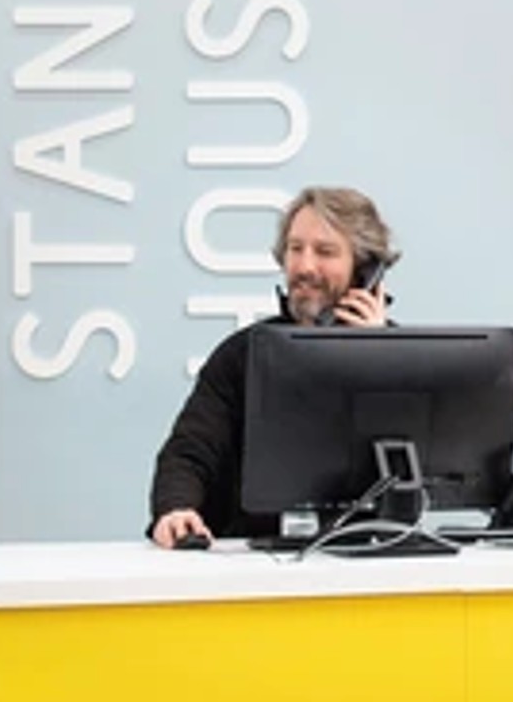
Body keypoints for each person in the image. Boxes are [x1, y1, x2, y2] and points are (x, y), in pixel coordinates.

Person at [144, 182, 396, 546]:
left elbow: (414, 471)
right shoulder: (243, 354)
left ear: (364, 269)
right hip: (255, 561)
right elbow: (190, 451)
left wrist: (379, 355)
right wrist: (176, 508)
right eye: (295, 249)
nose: (305, 266)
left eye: (325, 251)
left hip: (369, 559)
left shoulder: (401, 359)